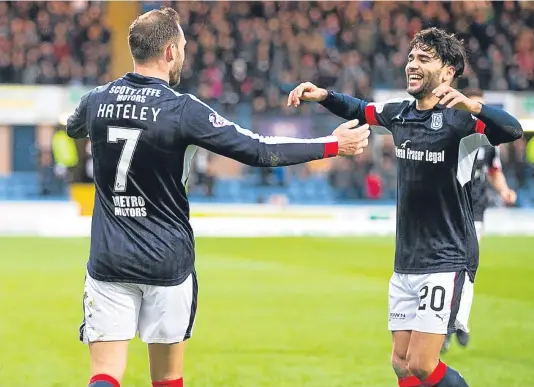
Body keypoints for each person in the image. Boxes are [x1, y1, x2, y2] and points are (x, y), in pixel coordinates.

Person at [66, 7, 370, 387]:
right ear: (170, 52)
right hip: (167, 261)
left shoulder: (97, 99)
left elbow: (73, 127)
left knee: (105, 374)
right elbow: (258, 150)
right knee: (166, 379)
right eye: (184, 45)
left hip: (109, 258)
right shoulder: (182, 111)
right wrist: (331, 144)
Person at [287, 27, 523, 387]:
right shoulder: (400, 114)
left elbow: (512, 130)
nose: (412, 64)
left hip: (447, 258)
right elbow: (359, 109)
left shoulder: (463, 123)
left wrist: (470, 104)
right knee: (400, 363)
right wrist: (322, 95)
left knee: (424, 364)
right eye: (411, 57)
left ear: (447, 72)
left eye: (424, 59)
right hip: (407, 259)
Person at [441, 88, 517, 353]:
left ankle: (457, 323)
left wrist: (504, 190)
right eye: (475, 108)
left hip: (476, 210)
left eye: (483, 109)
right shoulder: (454, 137)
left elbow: (495, 172)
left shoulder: (489, 144)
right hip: (450, 208)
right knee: (449, 268)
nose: (481, 115)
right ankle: (450, 323)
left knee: (465, 267)